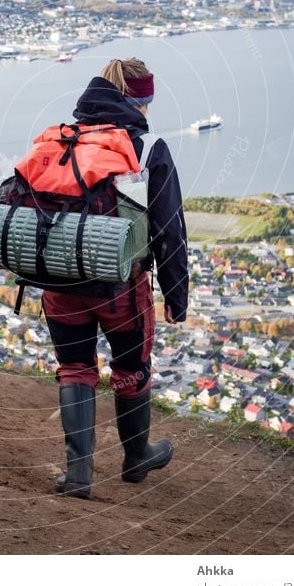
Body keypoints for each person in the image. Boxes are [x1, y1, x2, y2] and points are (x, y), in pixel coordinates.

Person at [42, 57, 189, 499]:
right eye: (147, 100)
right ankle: (136, 456)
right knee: (131, 370)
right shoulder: (147, 148)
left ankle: (79, 476)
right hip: (120, 288)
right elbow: (168, 230)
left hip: (59, 281)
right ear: (140, 101)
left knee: (75, 367)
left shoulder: (65, 137)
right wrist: (176, 298)